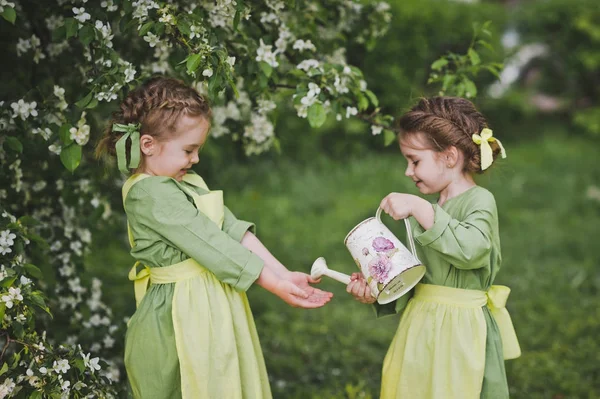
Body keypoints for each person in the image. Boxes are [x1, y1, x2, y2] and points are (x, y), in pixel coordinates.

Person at [95, 76, 332, 399]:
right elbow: (211, 243)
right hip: (182, 309)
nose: (195, 159)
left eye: (198, 150)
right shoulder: (149, 193)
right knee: (189, 382)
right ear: (148, 145)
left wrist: (283, 273)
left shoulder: (185, 181)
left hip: (210, 299)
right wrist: (274, 286)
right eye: (189, 150)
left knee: (223, 379)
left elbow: (231, 230)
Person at [346, 97, 520, 399]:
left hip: (462, 330)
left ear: (449, 157)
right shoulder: (427, 212)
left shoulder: (478, 202)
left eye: (415, 161)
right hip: (420, 325)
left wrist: (418, 208)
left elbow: (472, 250)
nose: (407, 171)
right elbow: (416, 277)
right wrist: (378, 288)